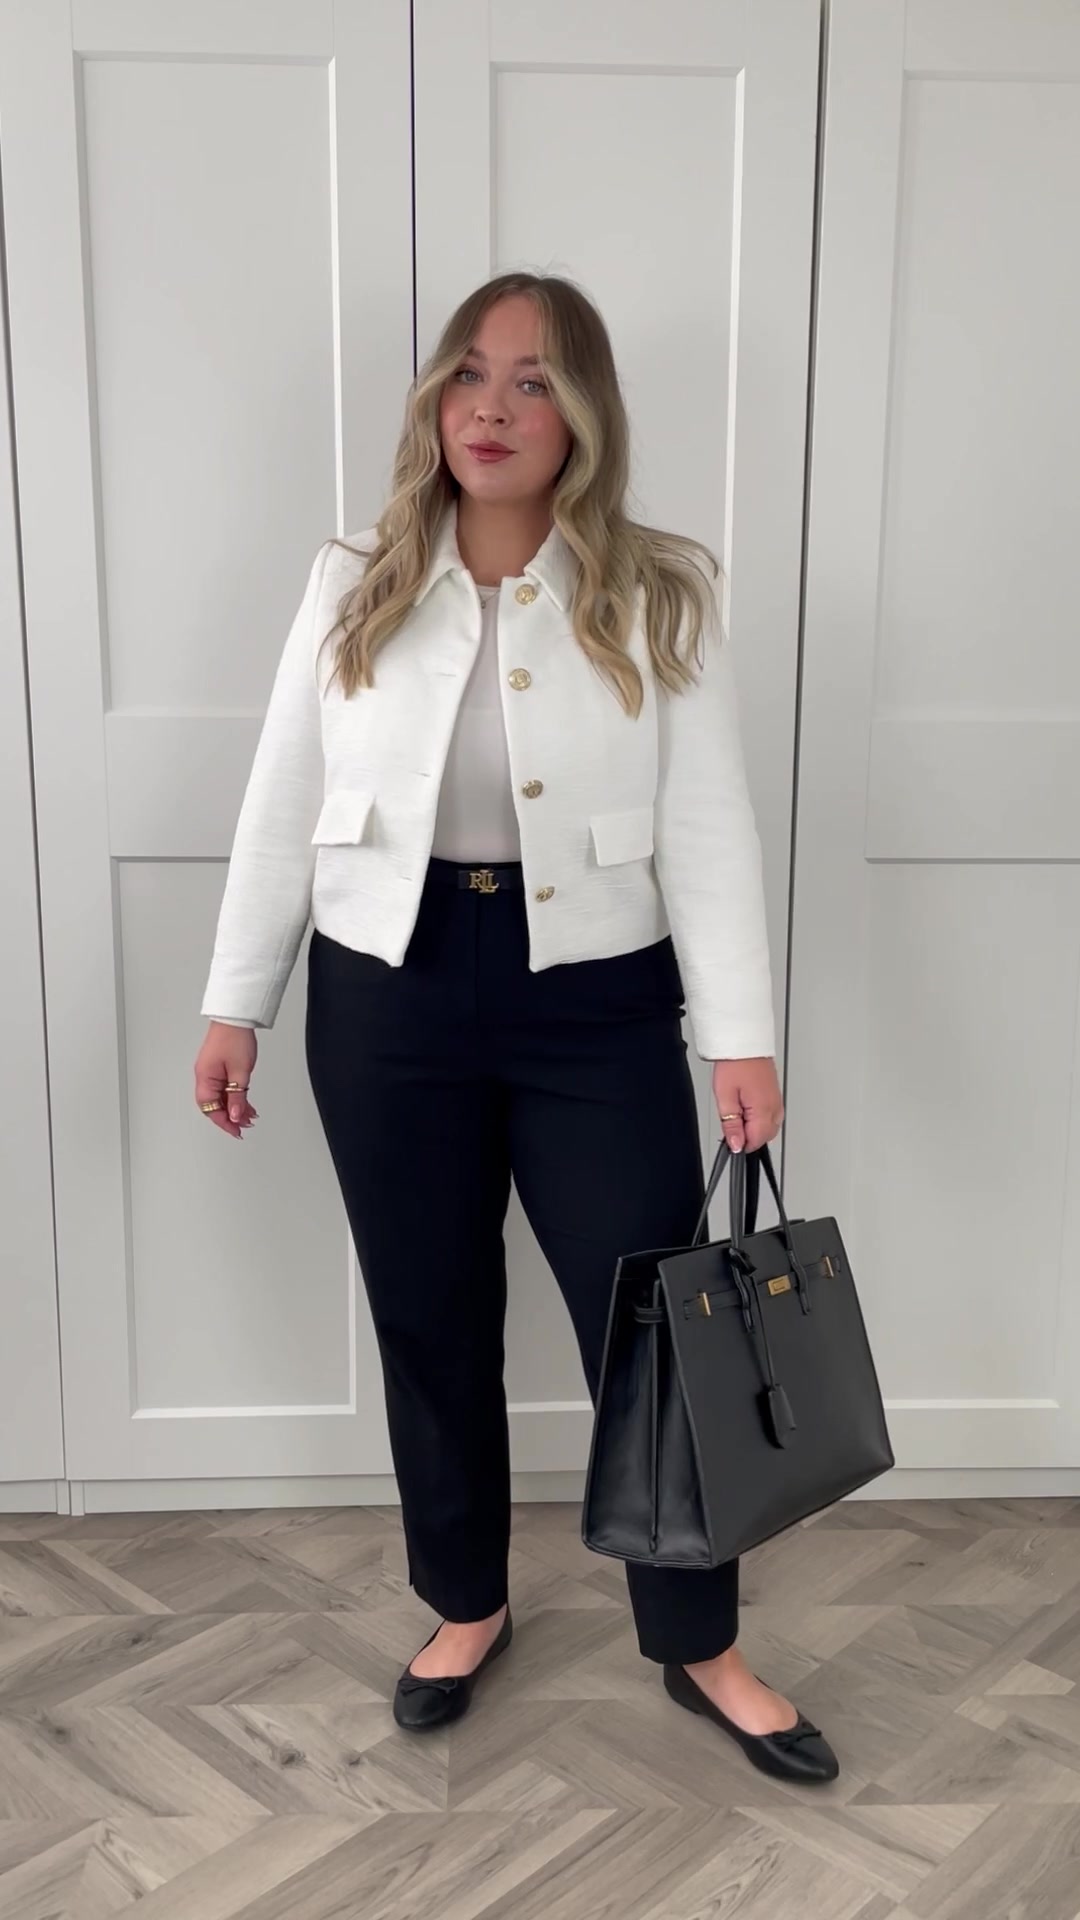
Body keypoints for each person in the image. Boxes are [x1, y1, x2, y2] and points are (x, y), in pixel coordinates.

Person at [194, 271, 838, 1786]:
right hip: (386, 987)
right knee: (427, 1316)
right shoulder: (354, 578)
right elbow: (285, 798)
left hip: (594, 998)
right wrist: (237, 1001)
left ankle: (700, 1643)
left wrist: (739, 1036)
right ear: (436, 398)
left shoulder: (661, 588)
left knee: (654, 1329)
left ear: (583, 412)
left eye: (534, 380)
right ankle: (465, 1603)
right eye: (470, 375)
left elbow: (709, 822)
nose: (492, 409)